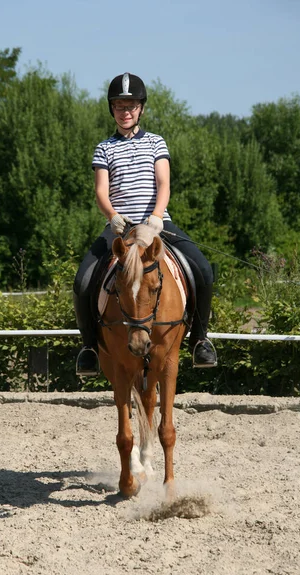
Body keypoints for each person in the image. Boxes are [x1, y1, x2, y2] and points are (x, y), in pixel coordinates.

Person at [73, 72, 217, 375]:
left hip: (157, 223)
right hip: (120, 227)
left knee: (202, 270)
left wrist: (156, 215)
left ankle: (200, 340)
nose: (126, 112)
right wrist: (112, 216)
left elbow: (164, 183)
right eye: (120, 106)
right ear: (112, 109)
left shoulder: (156, 142)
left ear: (141, 108)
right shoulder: (104, 148)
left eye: (131, 106)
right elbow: (101, 191)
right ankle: (88, 348)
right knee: (83, 281)